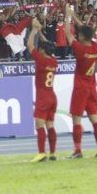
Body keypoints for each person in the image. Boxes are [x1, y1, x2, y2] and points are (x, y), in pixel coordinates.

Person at [65, 5, 97, 159]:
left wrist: (68, 16)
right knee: (94, 118)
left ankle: (78, 150)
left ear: (81, 37)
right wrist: (74, 15)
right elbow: (84, 29)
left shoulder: (80, 49)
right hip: (92, 87)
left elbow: (68, 32)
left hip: (80, 88)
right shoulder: (96, 47)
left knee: (76, 119)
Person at [27, 18, 58, 162]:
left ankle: (41, 153)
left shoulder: (41, 59)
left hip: (43, 96)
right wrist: (40, 32)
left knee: (39, 124)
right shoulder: (53, 61)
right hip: (52, 95)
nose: (39, 48)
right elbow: (48, 46)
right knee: (50, 125)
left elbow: (29, 45)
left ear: (42, 51)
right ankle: (52, 153)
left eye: (41, 48)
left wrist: (34, 30)